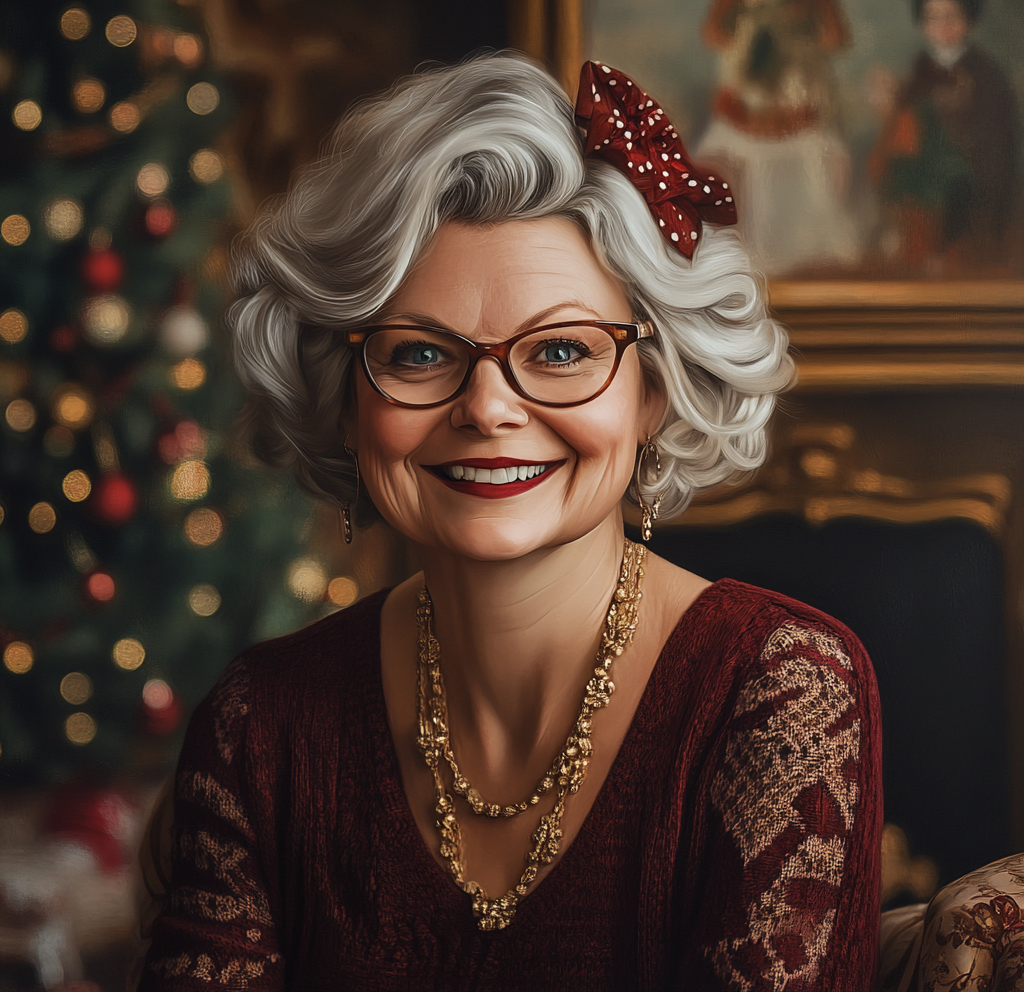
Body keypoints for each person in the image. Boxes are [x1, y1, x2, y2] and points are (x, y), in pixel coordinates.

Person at [137, 53, 882, 990]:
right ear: (344, 400)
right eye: (417, 353)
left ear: (655, 392)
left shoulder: (782, 691)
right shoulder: (261, 724)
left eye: (563, 349)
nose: (488, 407)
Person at [697, 0, 862, 275]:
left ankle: (806, 258)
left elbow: (837, 39)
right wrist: (749, 17)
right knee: (717, 165)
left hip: (798, 100)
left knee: (828, 159)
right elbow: (713, 36)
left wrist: (799, 29)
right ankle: (744, 265)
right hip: (746, 105)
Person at [869, 0, 1018, 272]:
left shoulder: (986, 73)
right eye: (932, 17)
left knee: (952, 182)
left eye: (951, 16)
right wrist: (891, 101)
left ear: (969, 18)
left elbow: (998, 137)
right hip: (921, 163)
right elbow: (905, 112)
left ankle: (943, 247)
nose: (941, 26)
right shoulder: (921, 66)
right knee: (890, 161)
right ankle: (899, 233)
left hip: (970, 168)